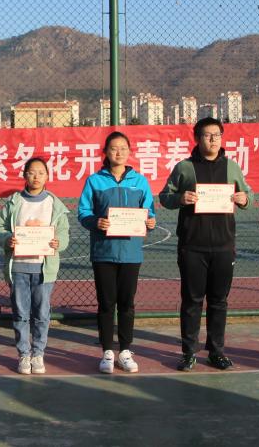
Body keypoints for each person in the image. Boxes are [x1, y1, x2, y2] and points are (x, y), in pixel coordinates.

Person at [160, 117, 252, 371]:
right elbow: (165, 196)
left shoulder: (232, 167)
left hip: (223, 246)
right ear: (197, 138)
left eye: (217, 135)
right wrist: (181, 198)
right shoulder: (185, 167)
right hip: (192, 245)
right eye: (207, 135)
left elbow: (248, 195)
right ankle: (189, 351)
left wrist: (243, 199)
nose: (213, 139)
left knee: (219, 301)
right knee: (192, 301)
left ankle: (216, 351)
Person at [78, 131, 156, 374]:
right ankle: (107, 352)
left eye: (123, 148)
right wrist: (96, 222)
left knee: (127, 304)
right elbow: (83, 212)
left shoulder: (140, 182)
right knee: (105, 304)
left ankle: (125, 351)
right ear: (105, 152)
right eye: (113, 148)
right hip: (103, 252)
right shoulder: (94, 181)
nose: (119, 152)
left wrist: (150, 221)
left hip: (131, 253)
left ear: (130, 151)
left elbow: (149, 211)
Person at [0, 157, 70, 374]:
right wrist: (7, 239)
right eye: (32, 172)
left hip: (44, 269)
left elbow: (63, 233)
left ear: (47, 176)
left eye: (41, 173)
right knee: (20, 314)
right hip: (18, 267)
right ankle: (23, 354)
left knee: (42, 314)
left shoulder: (54, 204)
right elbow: (0, 229)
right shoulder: (14, 202)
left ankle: (38, 353)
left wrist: (58, 242)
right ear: (24, 175)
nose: (36, 176)